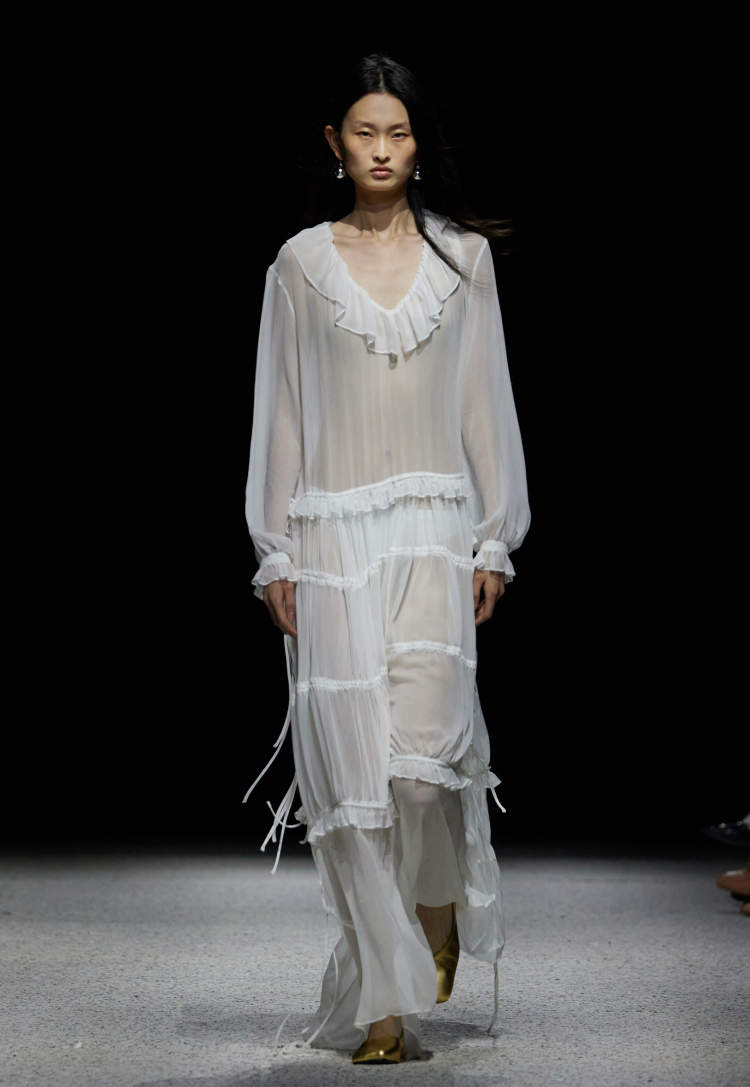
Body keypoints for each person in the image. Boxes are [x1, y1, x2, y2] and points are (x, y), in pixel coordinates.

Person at [243, 54, 531, 1063]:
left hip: (432, 531)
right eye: (363, 132)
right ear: (335, 144)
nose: (380, 149)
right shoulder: (299, 263)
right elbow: (281, 411)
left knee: (421, 775)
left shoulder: (463, 260)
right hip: (331, 540)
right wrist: (274, 549)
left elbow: (485, 403)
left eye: (397, 132)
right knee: (354, 789)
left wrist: (496, 533)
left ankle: (436, 906)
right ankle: (383, 1007)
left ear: (418, 143)